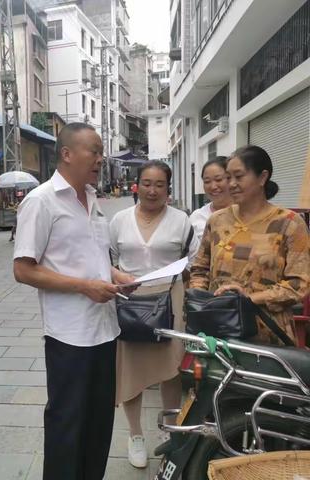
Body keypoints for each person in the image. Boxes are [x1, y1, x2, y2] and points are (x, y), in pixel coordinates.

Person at [13, 123, 134, 480]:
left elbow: (93, 259)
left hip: (105, 329)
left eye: (100, 151)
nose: (100, 158)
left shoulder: (94, 201)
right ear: (67, 154)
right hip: (69, 336)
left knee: (99, 423)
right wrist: (84, 287)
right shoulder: (42, 201)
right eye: (93, 151)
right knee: (67, 424)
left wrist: (117, 276)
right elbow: (23, 269)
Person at [109, 160, 199, 469]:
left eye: (159, 184)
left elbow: (195, 263)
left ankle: (172, 434)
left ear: (168, 188)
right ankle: (135, 435)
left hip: (170, 303)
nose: (152, 190)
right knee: (131, 372)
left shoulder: (181, 221)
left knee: (170, 370)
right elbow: (108, 259)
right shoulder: (119, 219)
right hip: (130, 304)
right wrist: (117, 277)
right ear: (137, 185)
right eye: (146, 183)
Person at [190, 145, 310, 345]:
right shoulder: (217, 221)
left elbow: (300, 285)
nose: (232, 184)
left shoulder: (289, 223)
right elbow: (200, 270)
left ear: (262, 178)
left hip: (268, 333)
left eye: (239, 176)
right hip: (218, 330)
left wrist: (249, 298)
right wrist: (202, 302)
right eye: (228, 177)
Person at [190, 156, 232, 244]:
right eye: (207, 181)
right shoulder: (197, 216)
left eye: (218, 179)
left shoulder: (246, 213)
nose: (213, 186)